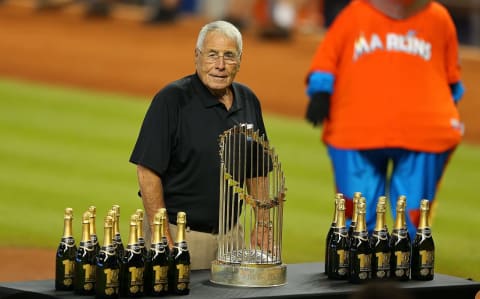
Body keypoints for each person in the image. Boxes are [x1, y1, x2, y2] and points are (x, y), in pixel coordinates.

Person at [305, 0, 465, 239]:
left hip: (358, 126)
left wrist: (320, 91)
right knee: (411, 218)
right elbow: (453, 81)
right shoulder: (438, 17)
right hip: (418, 129)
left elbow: (325, 62)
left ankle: (365, 261)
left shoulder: (355, 14)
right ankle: (407, 260)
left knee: (362, 218)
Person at [129, 20, 272, 270]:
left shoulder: (248, 100)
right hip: (183, 236)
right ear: (197, 56)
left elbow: (257, 169)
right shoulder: (171, 100)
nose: (219, 65)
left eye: (229, 56)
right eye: (212, 55)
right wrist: (162, 235)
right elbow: (147, 171)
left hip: (232, 237)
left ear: (240, 59)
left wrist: (262, 221)